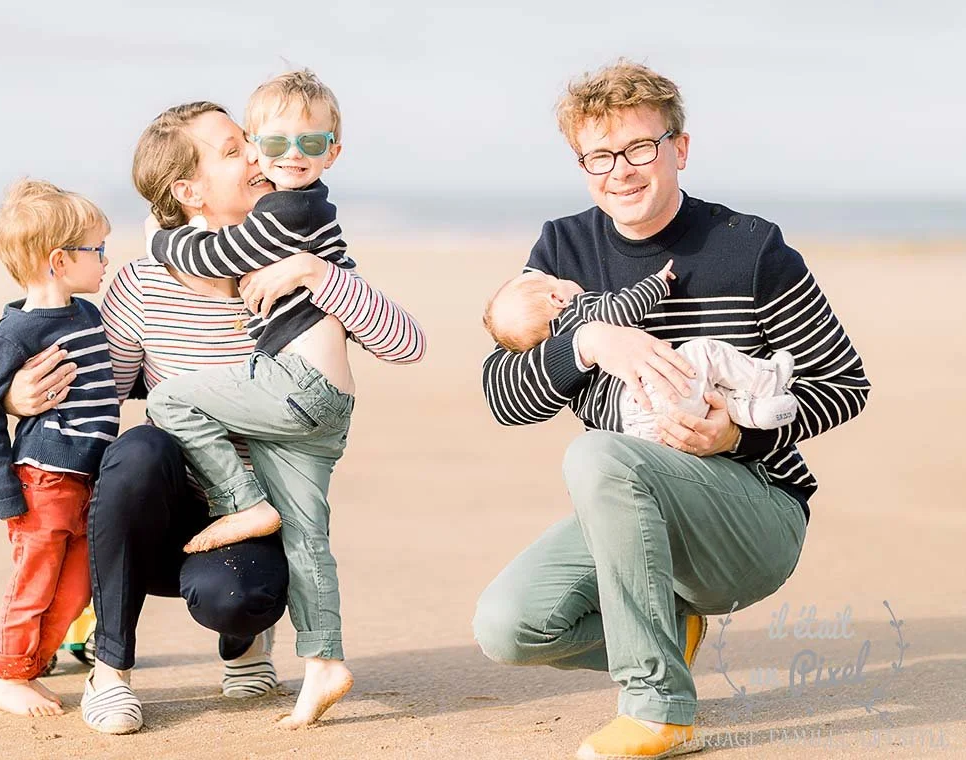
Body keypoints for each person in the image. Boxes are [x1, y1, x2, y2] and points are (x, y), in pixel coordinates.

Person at [472, 60, 871, 759]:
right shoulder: (563, 248)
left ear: (678, 149)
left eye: (638, 148)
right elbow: (504, 397)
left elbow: (844, 383)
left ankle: (658, 706)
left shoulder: (751, 249)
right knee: (509, 627)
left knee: (597, 451)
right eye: (598, 156)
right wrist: (589, 340)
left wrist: (737, 434)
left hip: (754, 511)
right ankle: (671, 631)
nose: (619, 171)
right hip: (630, 509)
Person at [3, 100, 425, 735]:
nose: (257, 156)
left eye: (249, 142)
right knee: (138, 448)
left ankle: (246, 641)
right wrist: (14, 400)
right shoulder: (141, 285)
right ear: (188, 190)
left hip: (254, 513)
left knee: (240, 597)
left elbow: (406, 343)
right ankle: (110, 672)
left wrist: (317, 274)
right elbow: (104, 396)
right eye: (234, 150)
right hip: (168, 506)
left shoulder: (293, 263)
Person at [144, 70, 425, 728]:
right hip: (320, 417)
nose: (291, 152)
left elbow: (223, 253)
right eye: (270, 142)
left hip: (298, 389)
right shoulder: (300, 212)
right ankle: (324, 662)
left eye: (313, 139)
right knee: (306, 540)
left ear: (334, 150)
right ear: (254, 143)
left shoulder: (289, 211)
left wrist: (161, 240)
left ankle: (242, 507)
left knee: (169, 403)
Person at [0, 179, 116, 718]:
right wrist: (4, 495)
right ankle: (8, 676)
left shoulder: (89, 317)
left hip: (90, 480)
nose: (106, 259)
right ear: (59, 260)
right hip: (44, 482)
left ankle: (32, 666)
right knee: (34, 585)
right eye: (97, 250)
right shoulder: (16, 332)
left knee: (75, 591)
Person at [482, 263, 799, 442]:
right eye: (557, 279)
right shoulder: (580, 308)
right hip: (650, 394)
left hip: (630, 431)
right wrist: (657, 283)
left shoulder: (542, 340)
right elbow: (623, 307)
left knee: (707, 394)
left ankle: (753, 414)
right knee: (706, 355)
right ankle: (765, 381)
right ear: (556, 297)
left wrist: (731, 439)